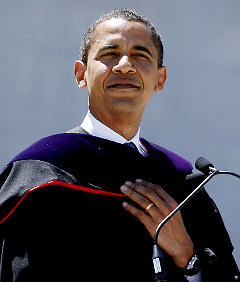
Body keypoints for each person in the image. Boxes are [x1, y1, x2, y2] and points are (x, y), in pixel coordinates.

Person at [0, 8, 239, 282]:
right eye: (109, 54)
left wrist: (188, 257)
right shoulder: (42, 178)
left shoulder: (182, 184)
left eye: (140, 55)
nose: (125, 65)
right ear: (81, 75)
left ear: (160, 79)